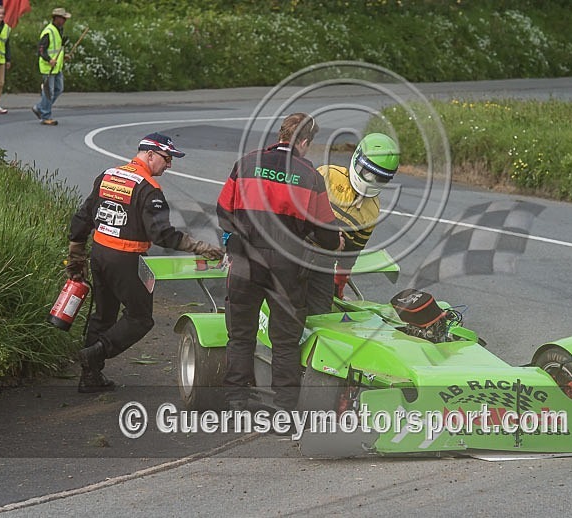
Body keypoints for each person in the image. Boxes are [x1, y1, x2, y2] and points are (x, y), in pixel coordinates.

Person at [67, 133, 224, 393]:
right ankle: (97, 353)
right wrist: (200, 247)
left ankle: (90, 377)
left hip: (100, 253)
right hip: (127, 259)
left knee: (103, 315)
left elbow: (84, 216)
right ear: (149, 154)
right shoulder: (149, 190)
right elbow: (162, 235)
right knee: (140, 318)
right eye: (167, 158)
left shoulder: (109, 175)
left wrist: (76, 253)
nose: (169, 165)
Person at [216, 113, 343, 411]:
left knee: (240, 335)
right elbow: (326, 234)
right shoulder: (311, 176)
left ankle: (236, 402)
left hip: (245, 261)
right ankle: (285, 409)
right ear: (304, 142)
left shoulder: (247, 163)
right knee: (285, 342)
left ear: (281, 135)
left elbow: (223, 211)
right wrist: (334, 241)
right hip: (287, 267)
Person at [306, 133, 400, 315]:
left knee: (320, 313)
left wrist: (338, 288)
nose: (371, 180)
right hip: (296, 249)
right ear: (357, 159)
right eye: (368, 173)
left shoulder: (372, 210)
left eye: (379, 178)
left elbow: (350, 254)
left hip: (323, 266)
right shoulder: (328, 174)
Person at [32, 7, 71, 126]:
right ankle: (45, 116)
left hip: (57, 66)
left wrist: (63, 57)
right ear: (56, 18)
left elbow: (56, 49)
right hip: (48, 67)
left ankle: (40, 107)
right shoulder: (48, 31)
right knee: (49, 92)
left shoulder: (59, 30)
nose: (64, 20)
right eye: (63, 18)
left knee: (59, 89)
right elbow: (41, 50)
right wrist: (49, 60)